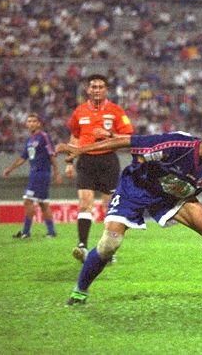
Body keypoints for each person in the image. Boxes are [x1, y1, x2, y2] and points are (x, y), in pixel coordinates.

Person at [57, 114, 202, 305]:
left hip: (167, 196)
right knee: (109, 244)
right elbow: (129, 142)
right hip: (134, 189)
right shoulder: (176, 144)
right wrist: (81, 150)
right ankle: (79, 291)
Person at [65, 74, 134, 262]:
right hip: (86, 161)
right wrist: (70, 162)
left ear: (106, 90)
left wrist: (109, 134)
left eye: (100, 87)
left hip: (108, 162)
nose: (96, 90)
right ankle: (82, 246)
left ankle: (106, 251)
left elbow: (128, 137)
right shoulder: (79, 112)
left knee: (109, 207)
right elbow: (74, 137)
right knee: (85, 203)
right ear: (88, 90)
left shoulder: (116, 111)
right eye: (93, 86)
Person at [1, 113, 62, 238]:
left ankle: (26, 232)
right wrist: (10, 169)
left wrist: (56, 172)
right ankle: (51, 232)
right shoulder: (30, 140)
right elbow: (23, 158)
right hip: (35, 174)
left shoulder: (43, 136)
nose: (31, 123)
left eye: (34, 121)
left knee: (28, 200)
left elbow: (52, 155)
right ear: (26, 124)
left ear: (39, 123)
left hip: (41, 174)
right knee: (43, 203)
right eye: (29, 121)